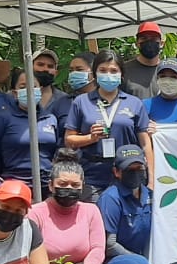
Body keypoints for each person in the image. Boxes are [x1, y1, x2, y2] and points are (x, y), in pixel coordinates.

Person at [64, 51, 152, 197]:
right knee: (95, 216)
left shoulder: (134, 103)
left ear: (122, 75)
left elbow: (145, 144)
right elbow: (69, 140)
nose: (108, 75)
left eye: (113, 71)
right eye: (103, 70)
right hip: (92, 175)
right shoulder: (81, 102)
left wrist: (151, 179)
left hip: (127, 172)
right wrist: (90, 138)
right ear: (94, 74)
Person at [94, 146, 154, 264]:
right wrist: (141, 262)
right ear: (116, 172)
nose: (135, 174)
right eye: (129, 170)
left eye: (139, 169)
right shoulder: (110, 198)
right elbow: (109, 244)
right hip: (112, 261)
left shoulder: (151, 196)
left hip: (141, 258)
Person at [0, 69, 60, 192]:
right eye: (23, 87)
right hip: (14, 185)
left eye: (34, 86)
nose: (29, 91)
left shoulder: (50, 119)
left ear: (41, 90)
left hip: (47, 185)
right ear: (15, 93)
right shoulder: (1, 119)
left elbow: (54, 151)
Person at [49, 51, 96, 126]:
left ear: (94, 72)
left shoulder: (105, 99)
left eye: (79, 69)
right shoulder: (62, 102)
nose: (74, 73)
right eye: (71, 70)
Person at [122, 21, 163, 97]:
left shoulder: (168, 69)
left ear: (161, 43)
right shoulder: (124, 70)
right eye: (144, 38)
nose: (149, 42)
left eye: (153, 38)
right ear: (137, 43)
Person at [31, 48, 64, 116]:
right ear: (30, 67)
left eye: (50, 66)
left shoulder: (64, 99)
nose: (45, 69)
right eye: (40, 64)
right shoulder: (14, 97)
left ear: (56, 73)